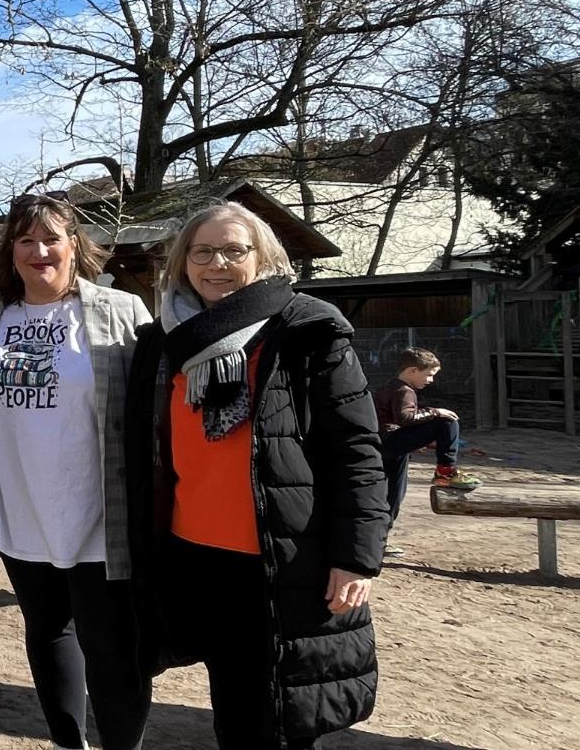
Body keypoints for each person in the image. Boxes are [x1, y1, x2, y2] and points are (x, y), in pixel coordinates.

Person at [127, 202, 389, 750]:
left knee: (283, 714)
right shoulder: (165, 339)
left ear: (263, 257)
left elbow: (356, 450)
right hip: (194, 555)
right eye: (202, 251)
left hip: (280, 558)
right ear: (183, 261)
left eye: (233, 250)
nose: (216, 263)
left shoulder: (305, 331)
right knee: (236, 705)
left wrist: (356, 557)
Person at [0, 194, 152, 750]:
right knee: (48, 632)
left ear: (74, 245)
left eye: (51, 238)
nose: (39, 251)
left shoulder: (120, 312)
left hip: (102, 514)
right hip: (22, 510)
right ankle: (66, 743)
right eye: (25, 240)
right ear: (10, 251)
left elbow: (155, 407)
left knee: (112, 646)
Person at [373, 347, 481, 552]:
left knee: (393, 494)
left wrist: (421, 440)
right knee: (447, 422)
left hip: (387, 446)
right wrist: (435, 412)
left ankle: (379, 542)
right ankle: (445, 472)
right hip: (392, 442)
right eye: (429, 374)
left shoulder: (390, 387)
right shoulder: (403, 390)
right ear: (413, 370)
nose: (430, 380)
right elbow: (405, 419)